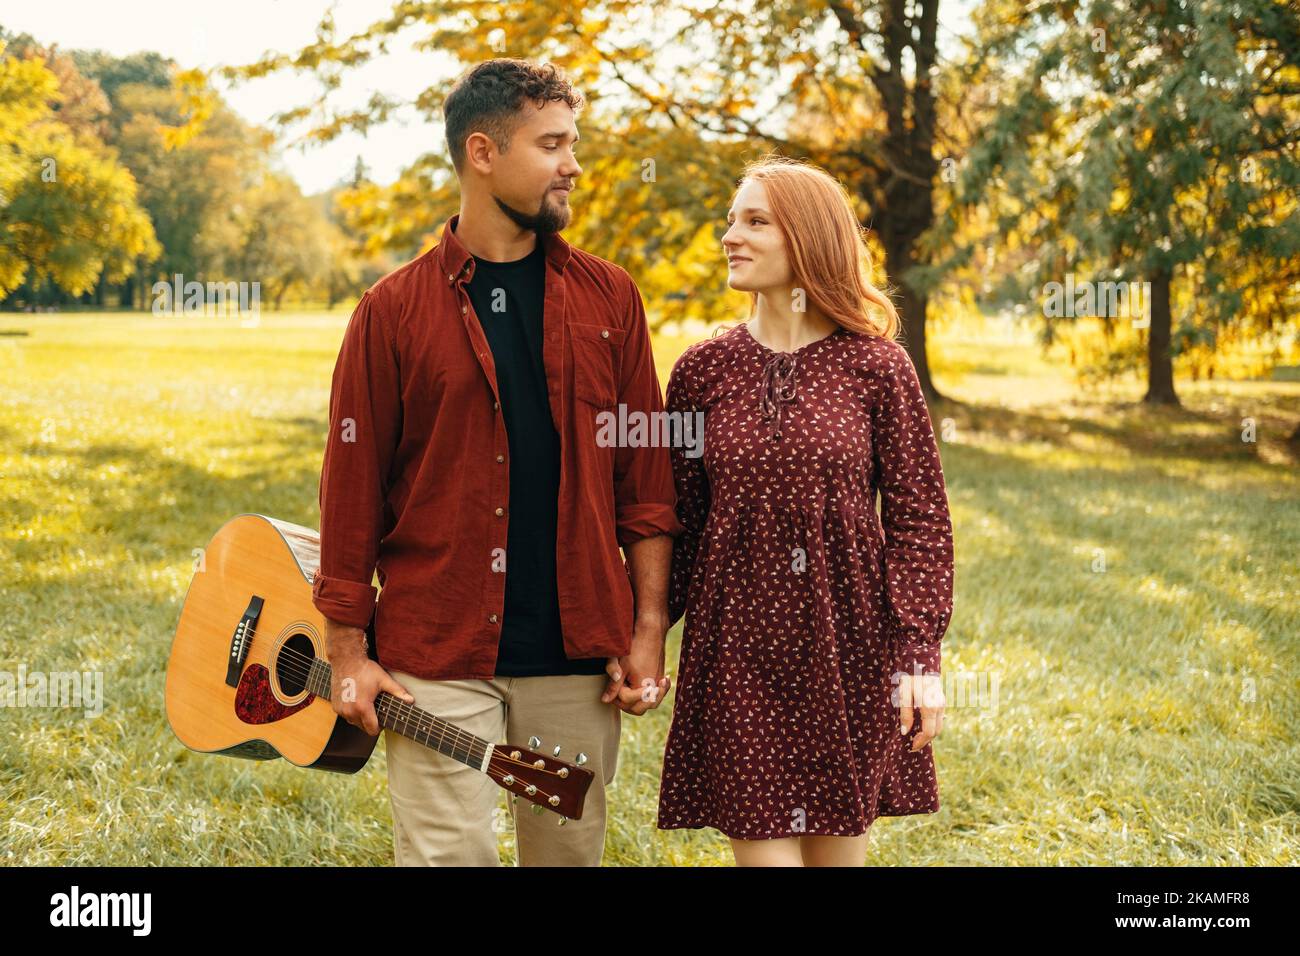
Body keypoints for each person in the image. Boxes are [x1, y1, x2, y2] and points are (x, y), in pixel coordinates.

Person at [312, 58, 681, 866]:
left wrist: (649, 627)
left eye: (573, 143)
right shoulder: (391, 312)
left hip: (576, 655)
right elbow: (351, 492)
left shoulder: (611, 300)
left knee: (567, 858)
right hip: (436, 656)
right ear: (483, 153)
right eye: (552, 145)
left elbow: (646, 486)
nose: (573, 165)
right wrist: (346, 651)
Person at [657, 154, 955, 866]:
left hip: (847, 645)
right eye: (732, 220)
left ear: (810, 238)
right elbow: (679, 525)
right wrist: (631, 636)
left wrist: (918, 655)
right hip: (737, 654)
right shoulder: (702, 370)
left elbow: (921, 520)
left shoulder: (877, 367)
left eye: (756, 221)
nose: (732, 235)